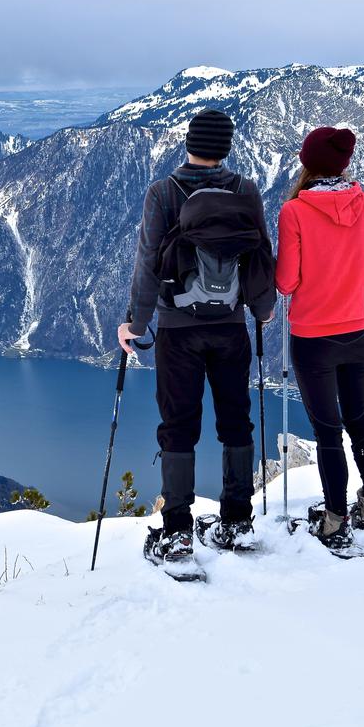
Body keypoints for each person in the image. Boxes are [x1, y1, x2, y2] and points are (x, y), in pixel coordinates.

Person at [118, 109, 276, 571]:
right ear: (226, 147)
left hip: (177, 331)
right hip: (230, 327)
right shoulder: (244, 189)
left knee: (179, 426)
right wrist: (261, 311)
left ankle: (177, 536)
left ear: (188, 143)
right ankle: (237, 522)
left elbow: (148, 263)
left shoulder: (163, 192)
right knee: (235, 420)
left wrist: (135, 322)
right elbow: (260, 256)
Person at [275, 126, 364, 549]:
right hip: (359, 331)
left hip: (313, 339)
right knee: (359, 420)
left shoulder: (295, 212)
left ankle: (335, 518)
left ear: (306, 163)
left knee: (328, 431)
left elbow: (286, 282)